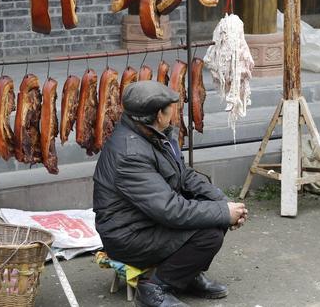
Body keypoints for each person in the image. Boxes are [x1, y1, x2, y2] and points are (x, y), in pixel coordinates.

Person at [93, 81, 248, 307]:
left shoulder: (156, 134)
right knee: (209, 232)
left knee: (213, 213)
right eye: (171, 108)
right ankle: (154, 288)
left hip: (148, 221)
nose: (175, 113)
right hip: (128, 236)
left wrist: (221, 201)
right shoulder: (130, 154)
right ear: (158, 114)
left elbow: (184, 175)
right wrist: (223, 213)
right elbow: (171, 210)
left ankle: (185, 275)